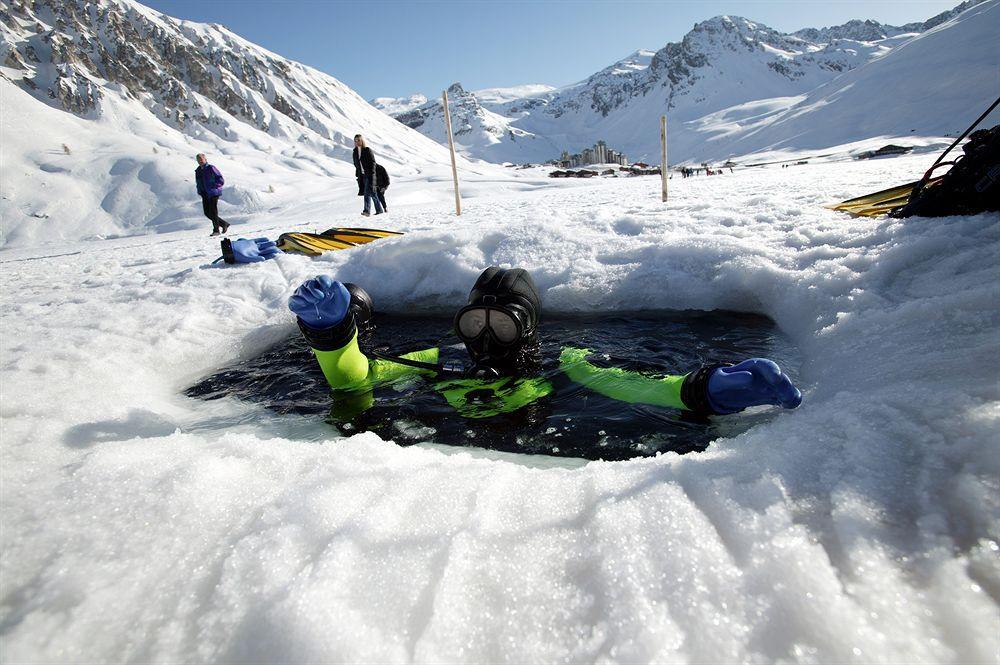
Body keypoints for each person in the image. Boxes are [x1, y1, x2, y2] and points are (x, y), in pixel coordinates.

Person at [287, 267, 802, 421]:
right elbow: (356, 381)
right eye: (473, 324)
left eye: (502, 326)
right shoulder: (439, 362)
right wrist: (333, 335)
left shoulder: (565, 363)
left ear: (528, 328)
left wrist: (707, 388)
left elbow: (640, 384)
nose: (485, 340)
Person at [195, 153, 229, 237]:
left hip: (213, 192)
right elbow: (198, 182)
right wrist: (200, 190)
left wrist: (215, 186)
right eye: (198, 160)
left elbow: (220, 179)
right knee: (207, 213)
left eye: (201, 159)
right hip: (204, 193)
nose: (200, 161)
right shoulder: (198, 170)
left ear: (205, 159)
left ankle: (216, 230)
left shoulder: (211, 168)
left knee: (213, 212)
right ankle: (224, 224)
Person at [352, 134, 384, 217]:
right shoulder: (355, 152)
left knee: (366, 193)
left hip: (369, 174)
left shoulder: (367, 150)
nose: (357, 142)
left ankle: (367, 211)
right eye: (355, 140)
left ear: (362, 140)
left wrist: (372, 172)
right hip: (361, 176)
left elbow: (373, 162)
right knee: (372, 193)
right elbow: (356, 164)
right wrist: (357, 173)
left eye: (358, 140)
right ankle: (379, 210)